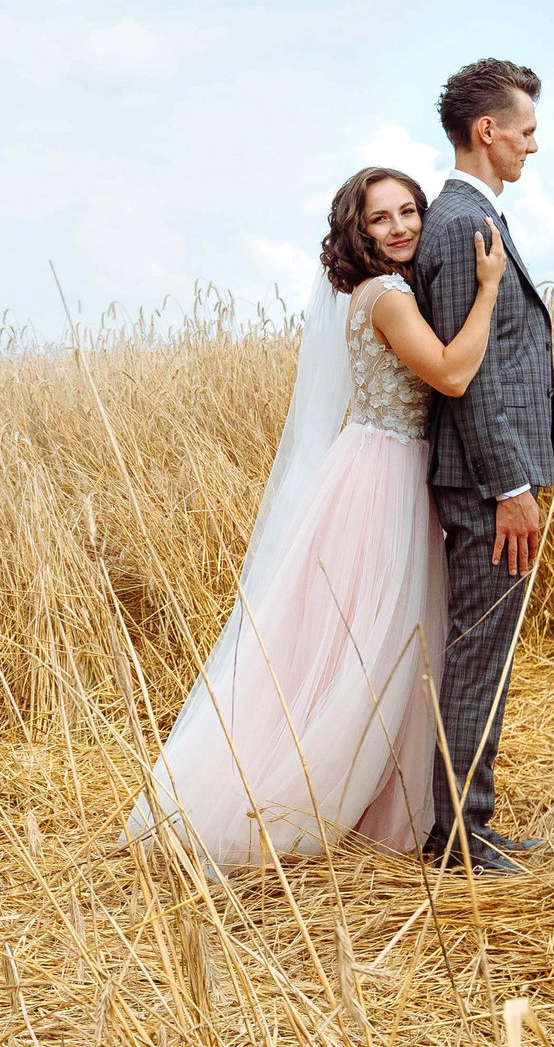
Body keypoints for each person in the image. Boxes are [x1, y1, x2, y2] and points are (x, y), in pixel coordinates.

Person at [124, 165, 508, 875]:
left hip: (379, 466)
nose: (400, 227)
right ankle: (302, 797)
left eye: (407, 212)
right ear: (357, 233)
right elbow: (452, 373)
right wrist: (487, 289)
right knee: (374, 639)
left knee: (376, 638)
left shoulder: (378, 292)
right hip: (383, 475)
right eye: (380, 219)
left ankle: (374, 798)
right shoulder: (389, 295)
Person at [413, 58, 554, 875]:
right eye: (527, 131)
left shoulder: (475, 216)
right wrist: (510, 487)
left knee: (488, 655)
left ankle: (475, 820)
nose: (533, 147)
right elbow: (469, 380)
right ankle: (458, 836)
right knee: (477, 658)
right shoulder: (462, 223)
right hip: (483, 487)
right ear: (488, 132)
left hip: (491, 482)